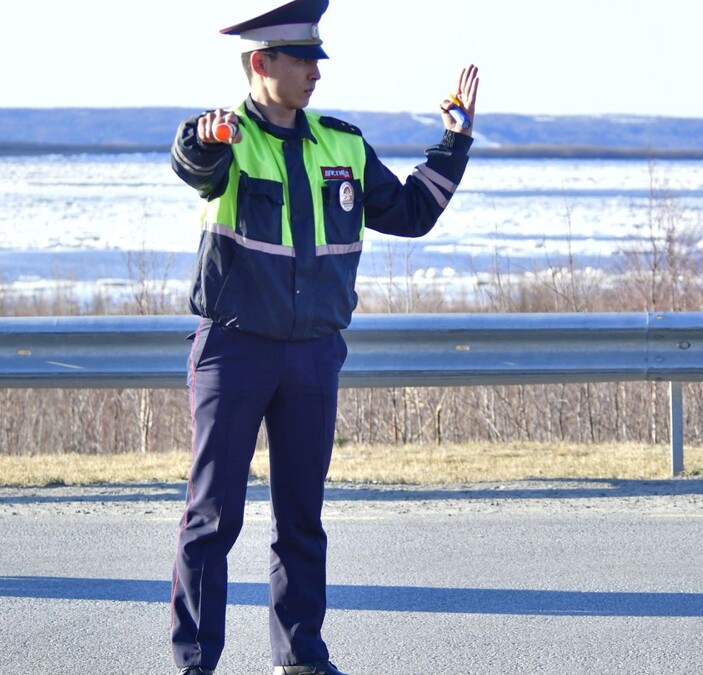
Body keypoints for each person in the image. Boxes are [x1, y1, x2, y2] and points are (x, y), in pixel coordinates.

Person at [168, 1, 478, 673]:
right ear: (261, 62)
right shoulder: (225, 138)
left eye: (317, 58)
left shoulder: (341, 143)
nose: (315, 71)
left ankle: (301, 656)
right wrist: (204, 137)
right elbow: (192, 159)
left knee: (301, 519)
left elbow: (411, 212)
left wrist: (453, 143)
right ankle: (195, 661)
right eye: (302, 59)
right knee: (212, 517)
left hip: (313, 353)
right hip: (235, 348)